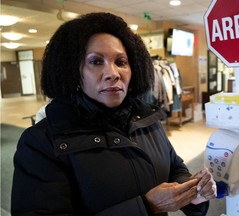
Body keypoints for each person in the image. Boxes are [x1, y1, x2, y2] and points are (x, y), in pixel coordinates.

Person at [11, 12, 216, 216]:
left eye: (121, 62)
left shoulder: (146, 119)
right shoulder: (41, 142)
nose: (113, 73)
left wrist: (191, 190)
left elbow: (174, 167)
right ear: (72, 70)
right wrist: (146, 207)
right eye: (96, 61)